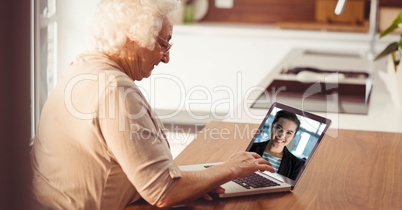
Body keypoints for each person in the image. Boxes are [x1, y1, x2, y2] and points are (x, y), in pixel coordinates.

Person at [30, 0, 274, 209]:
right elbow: (163, 192)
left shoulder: (83, 66)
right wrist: (230, 169)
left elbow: (146, 174)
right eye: (163, 44)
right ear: (132, 38)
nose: (166, 57)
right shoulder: (116, 91)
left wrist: (200, 181)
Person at [249, 110, 304, 180]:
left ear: (293, 136)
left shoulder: (296, 165)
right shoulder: (250, 148)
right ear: (272, 126)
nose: (281, 136)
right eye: (279, 128)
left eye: (289, 133)